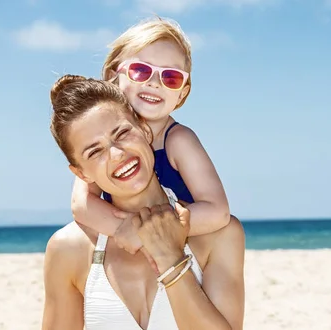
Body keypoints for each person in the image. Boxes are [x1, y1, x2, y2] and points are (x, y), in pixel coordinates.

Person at [41, 74, 245, 329]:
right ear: (81, 173)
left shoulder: (220, 235)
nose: (117, 154)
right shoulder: (69, 248)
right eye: (95, 151)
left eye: (122, 133)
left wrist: (170, 259)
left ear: (144, 129)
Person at [70, 17, 236, 253]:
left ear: (182, 93)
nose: (155, 83)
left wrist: (147, 232)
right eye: (140, 71)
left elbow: (217, 211)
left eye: (171, 77)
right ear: (112, 76)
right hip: (131, 252)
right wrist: (122, 229)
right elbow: (82, 203)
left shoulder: (178, 140)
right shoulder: (103, 139)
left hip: (179, 250)